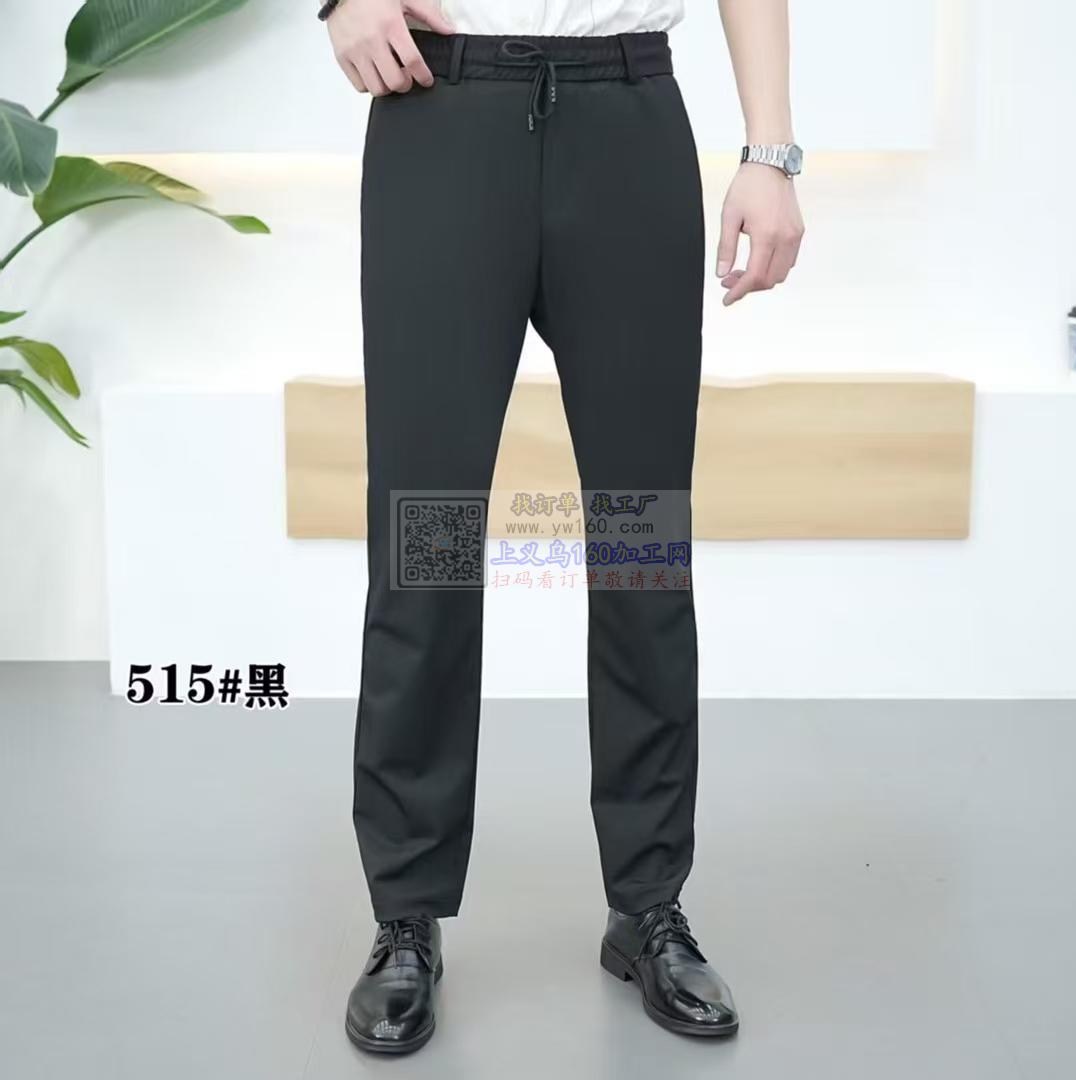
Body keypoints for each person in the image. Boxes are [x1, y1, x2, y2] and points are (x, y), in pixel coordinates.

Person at [321, 0, 804, 1055]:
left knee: (641, 542)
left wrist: (770, 151)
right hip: (441, 115)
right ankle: (405, 913)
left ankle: (649, 905)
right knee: (427, 540)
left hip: (629, 121)